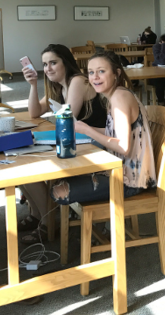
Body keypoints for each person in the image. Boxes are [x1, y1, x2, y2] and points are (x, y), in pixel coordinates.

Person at [18, 44, 107, 240]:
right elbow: (34, 112)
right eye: (44, 64)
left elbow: (67, 118)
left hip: (96, 145)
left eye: (53, 63)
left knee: (28, 161)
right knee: (21, 158)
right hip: (79, 141)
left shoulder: (77, 81)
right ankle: (38, 215)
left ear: (65, 63)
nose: (48, 68)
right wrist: (33, 85)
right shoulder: (59, 85)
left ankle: (48, 222)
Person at [51, 50, 155, 210]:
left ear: (116, 73)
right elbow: (112, 132)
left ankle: (95, 225)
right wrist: (84, 127)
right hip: (123, 171)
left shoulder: (119, 98)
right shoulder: (116, 95)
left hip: (130, 180)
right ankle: (94, 224)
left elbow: (123, 147)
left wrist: (86, 130)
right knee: (64, 176)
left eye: (101, 71)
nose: (95, 77)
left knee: (58, 190)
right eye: (91, 72)